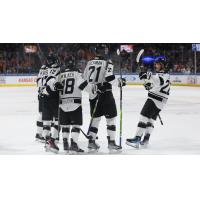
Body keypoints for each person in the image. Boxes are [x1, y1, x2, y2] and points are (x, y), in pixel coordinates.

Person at [80, 44, 126, 152]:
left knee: (95, 119)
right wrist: (120, 83)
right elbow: (109, 78)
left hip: (93, 95)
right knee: (110, 119)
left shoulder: (89, 63)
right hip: (106, 95)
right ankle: (111, 143)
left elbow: (83, 80)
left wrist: (92, 89)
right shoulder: (107, 62)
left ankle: (91, 142)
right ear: (104, 51)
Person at [126, 56, 170, 148]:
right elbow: (153, 85)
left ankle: (137, 139)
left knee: (143, 116)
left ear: (162, 65)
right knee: (150, 120)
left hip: (154, 100)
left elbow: (159, 81)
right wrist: (148, 84)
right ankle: (146, 140)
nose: (156, 65)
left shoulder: (164, 74)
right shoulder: (160, 74)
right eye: (155, 64)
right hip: (160, 101)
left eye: (157, 64)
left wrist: (147, 75)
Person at [53, 56, 91, 153]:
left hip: (63, 104)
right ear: (73, 62)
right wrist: (93, 90)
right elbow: (82, 85)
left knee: (65, 125)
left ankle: (65, 143)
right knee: (76, 125)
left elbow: (54, 86)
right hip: (75, 103)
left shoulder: (60, 73)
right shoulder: (77, 72)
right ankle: (74, 144)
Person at [40, 53, 61, 153]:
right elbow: (55, 83)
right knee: (58, 120)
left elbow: (39, 82)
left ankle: (47, 142)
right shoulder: (57, 69)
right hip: (54, 97)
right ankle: (53, 140)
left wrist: (43, 90)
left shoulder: (43, 69)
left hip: (44, 97)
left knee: (47, 122)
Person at [35, 64, 48, 142]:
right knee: (47, 115)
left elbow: (38, 82)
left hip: (41, 95)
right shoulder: (50, 69)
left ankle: (39, 134)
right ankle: (41, 134)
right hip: (46, 95)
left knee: (41, 114)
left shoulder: (42, 68)